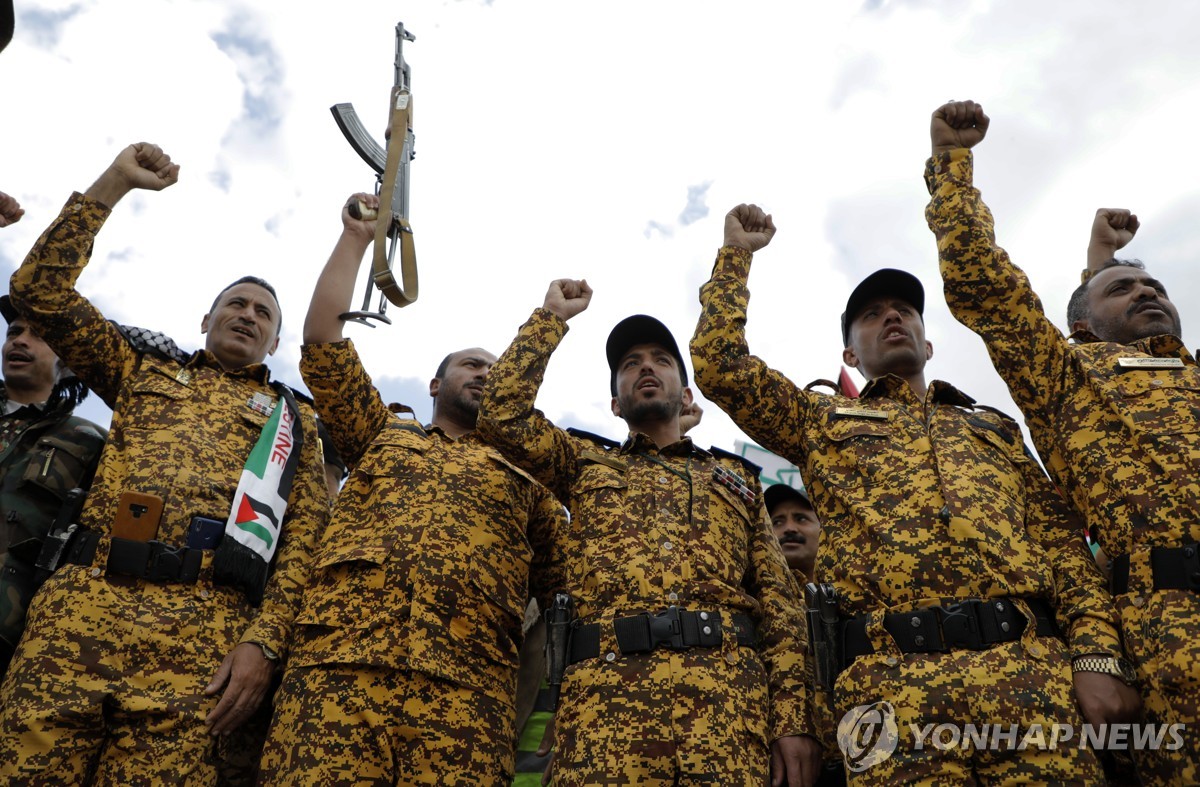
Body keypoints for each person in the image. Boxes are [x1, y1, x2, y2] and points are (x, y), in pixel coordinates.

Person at [691, 204, 1132, 783]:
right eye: (871, 316)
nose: (892, 318)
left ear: (928, 346)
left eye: (904, 311)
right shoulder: (819, 420)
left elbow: (1061, 547)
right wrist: (736, 258)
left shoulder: (992, 427)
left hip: (1031, 682)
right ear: (850, 355)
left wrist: (1096, 656)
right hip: (888, 692)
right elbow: (720, 364)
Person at [0, 142, 328, 784]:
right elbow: (38, 289)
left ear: (276, 342)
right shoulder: (141, 369)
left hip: (202, 640)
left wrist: (263, 645)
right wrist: (114, 183)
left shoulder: (295, 425)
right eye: (236, 303)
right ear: (206, 318)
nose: (247, 315)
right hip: (78, 613)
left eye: (263, 313)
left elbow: (301, 549)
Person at [926, 98, 1199, 784]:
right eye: (1122, 288)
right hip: (1168, 638)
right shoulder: (1069, 377)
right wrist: (953, 165)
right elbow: (984, 284)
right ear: (1081, 325)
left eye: (1154, 284)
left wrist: (1102, 261)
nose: (1146, 292)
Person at [257, 192, 565, 785]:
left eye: (497, 369)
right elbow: (323, 345)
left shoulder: (531, 480)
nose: (486, 373)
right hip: (336, 678)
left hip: (467, 703)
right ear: (434, 382)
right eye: (472, 364)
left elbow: (566, 598)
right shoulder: (379, 435)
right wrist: (355, 240)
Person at [477, 285, 819, 787]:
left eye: (661, 359)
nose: (645, 367)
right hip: (605, 716)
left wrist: (793, 720)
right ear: (615, 402)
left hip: (726, 714)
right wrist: (550, 319)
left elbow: (780, 608)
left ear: (685, 394)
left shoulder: (737, 479)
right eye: (630, 363)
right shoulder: (582, 463)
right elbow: (501, 415)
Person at [0, 295, 106, 678]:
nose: (20, 341)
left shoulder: (89, 441)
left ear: (69, 364)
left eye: (39, 335)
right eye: (14, 331)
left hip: (11, 633)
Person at [765, 484, 820, 584]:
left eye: (801, 519)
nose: (789, 528)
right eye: (778, 522)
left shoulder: (850, 592)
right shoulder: (749, 593)